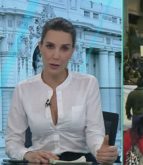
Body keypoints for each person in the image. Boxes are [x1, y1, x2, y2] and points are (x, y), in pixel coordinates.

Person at [5, 17, 118, 163]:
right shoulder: (23, 89)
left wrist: (100, 151)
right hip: (41, 161)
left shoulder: (88, 83)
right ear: (40, 47)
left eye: (64, 48)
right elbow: (12, 142)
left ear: (72, 51)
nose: (56, 56)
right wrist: (27, 154)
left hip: (80, 160)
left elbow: (94, 134)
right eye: (50, 46)